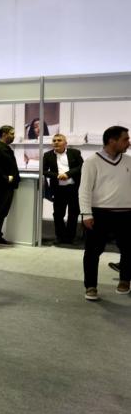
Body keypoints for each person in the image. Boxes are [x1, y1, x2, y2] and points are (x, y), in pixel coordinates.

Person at [78, 126, 131, 301]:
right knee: (93, 251)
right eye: (125, 139)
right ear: (112, 141)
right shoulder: (92, 162)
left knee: (128, 249)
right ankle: (90, 286)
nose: (128, 142)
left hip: (126, 213)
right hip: (100, 213)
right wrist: (86, 213)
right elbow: (84, 190)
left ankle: (125, 280)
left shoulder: (129, 161)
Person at [42, 134, 83, 244]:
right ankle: (60, 237)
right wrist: (57, 176)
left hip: (73, 188)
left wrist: (68, 174)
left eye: (59, 140)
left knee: (73, 213)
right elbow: (44, 170)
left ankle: (70, 238)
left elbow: (81, 167)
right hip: (58, 189)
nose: (56, 142)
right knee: (58, 214)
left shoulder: (75, 153)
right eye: (54, 140)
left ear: (65, 143)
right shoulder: (47, 155)